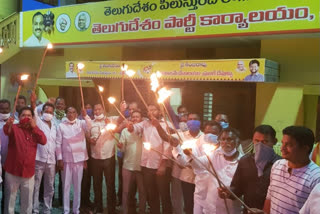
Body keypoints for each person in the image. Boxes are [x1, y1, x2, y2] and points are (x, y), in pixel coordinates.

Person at [218, 125, 281, 214]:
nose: (260, 145)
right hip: (248, 211)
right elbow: (237, 189)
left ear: (274, 142)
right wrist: (229, 192)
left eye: (265, 141)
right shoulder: (245, 161)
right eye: (257, 141)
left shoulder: (280, 164)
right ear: (253, 140)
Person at [262, 126, 320, 214]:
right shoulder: (277, 165)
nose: (282, 148)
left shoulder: (316, 177)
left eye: (289, 145)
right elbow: (270, 197)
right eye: (282, 143)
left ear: (305, 148)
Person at [127, 104, 173, 214]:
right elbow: (136, 127)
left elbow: (168, 145)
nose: (150, 112)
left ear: (159, 111)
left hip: (160, 165)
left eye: (153, 110)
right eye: (148, 110)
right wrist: (131, 127)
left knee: (164, 194)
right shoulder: (145, 123)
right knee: (152, 194)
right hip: (146, 165)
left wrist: (163, 164)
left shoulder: (166, 124)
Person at [3, 106, 47, 214]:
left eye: (29, 115)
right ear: (19, 116)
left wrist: (35, 127)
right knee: (10, 201)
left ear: (32, 117)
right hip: (13, 170)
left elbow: (43, 140)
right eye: (23, 115)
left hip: (28, 172)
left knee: (27, 202)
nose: (26, 117)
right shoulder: (14, 128)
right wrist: (8, 123)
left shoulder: (35, 130)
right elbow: (6, 131)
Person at [189, 127, 243, 213]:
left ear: (237, 142)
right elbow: (198, 165)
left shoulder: (243, 162)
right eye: (223, 139)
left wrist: (230, 191)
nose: (225, 142)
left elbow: (242, 187)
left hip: (230, 209)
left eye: (229, 139)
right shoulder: (215, 155)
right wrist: (189, 155)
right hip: (212, 208)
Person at [56, 107, 91, 214]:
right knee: (65, 186)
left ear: (76, 114)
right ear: (66, 114)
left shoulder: (81, 123)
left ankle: (76, 210)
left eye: (73, 112)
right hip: (66, 160)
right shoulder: (61, 126)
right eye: (69, 112)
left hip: (79, 160)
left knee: (77, 187)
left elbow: (90, 126)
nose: (71, 114)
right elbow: (58, 143)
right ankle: (66, 210)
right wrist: (59, 159)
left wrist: (85, 115)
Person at [89, 103, 120, 214]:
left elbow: (122, 120)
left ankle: (111, 208)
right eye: (95, 109)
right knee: (97, 184)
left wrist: (121, 109)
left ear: (103, 110)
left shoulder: (111, 119)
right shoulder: (90, 123)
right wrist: (89, 140)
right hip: (95, 158)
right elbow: (87, 135)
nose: (97, 111)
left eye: (99, 109)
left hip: (108, 157)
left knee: (110, 184)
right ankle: (99, 207)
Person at [30, 93, 57, 214]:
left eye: (51, 112)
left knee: (50, 187)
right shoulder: (39, 122)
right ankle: (34, 209)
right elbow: (34, 112)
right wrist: (33, 102)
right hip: (39, 159)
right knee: (36, 186)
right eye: (46, 110)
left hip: (51, 161)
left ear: (53, 113)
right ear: (43, 111)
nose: (48, 113)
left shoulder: (55, 125)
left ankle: (47, 209)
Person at [118, 110, 146, 214]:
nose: (134, 119)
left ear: (141, 119)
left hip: (141, 166)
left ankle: (142, 211)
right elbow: (122, 149)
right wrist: (121, 147)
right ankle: (126, 211)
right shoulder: (125, 131)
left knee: (142, 192)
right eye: (133, 117)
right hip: (127, 165)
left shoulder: (144, 130)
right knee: (126, 191)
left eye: (137, 117)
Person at [0, 99, 12, 213]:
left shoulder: (16, 123)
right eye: (1, 108)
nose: (4, 110)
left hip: (10, 162)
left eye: (6, 108)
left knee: (8, 190)